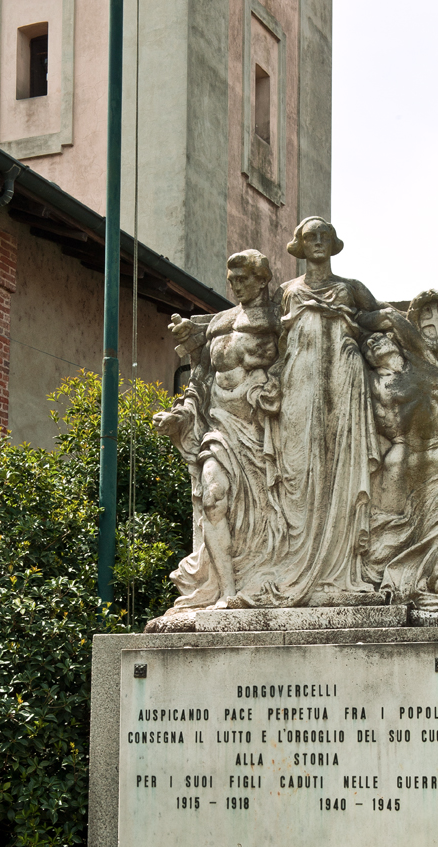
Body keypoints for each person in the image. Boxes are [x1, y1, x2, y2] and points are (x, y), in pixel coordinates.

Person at [153, 250, 284, 610]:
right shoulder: (219, 324)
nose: (238, 286)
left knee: (269, 516)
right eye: (233, 280)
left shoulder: (280, 319)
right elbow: (199, 382)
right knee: (213, 497)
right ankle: (227, 591)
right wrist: (180, 415)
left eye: (244, 279)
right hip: (221, 429)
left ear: (262, 279)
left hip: (264, 433)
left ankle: (264, 579)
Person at [272, 217, 390, 606]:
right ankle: (295, 561)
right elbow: (258, 330)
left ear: (333, 243)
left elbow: (379, 319)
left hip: (343, 381)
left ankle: (339, 566)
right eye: (311, 236)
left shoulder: (350, 289)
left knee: (339, 467)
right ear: (300, 245)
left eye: (324, 236)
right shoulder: (287, 292)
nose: (318, 241)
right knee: (300, 470)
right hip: (298, 386)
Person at [361, 300, 438, 611]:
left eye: (379, 339)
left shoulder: (425, 366)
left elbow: (390, 317)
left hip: (437, 457)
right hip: (398, 464)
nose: (373, 343)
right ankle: (381, 578)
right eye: (368, 345)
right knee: (384, 532)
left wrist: (358, 314)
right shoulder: (372, 384)